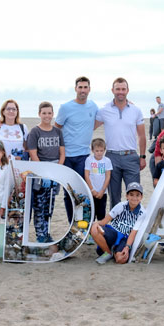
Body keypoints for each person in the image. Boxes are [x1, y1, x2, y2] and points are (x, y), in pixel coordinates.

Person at [95, 77, 146, 209]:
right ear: (112, 90)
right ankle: (116, 225)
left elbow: (141, 135)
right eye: (118, 89)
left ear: (127, 90)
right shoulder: (104, 110)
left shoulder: (136, 110)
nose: (120, 92)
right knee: (114, 196)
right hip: (112, 157)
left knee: (134, 194)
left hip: (131, 157)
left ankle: (134, 225)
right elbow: (89, 127)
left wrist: (142, 156)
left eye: (123, 89)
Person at [55, 76, 98, 222]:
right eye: (80, 87)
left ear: (89, 89)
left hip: (84, 156)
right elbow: (57, 128)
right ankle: (71, 224)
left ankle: (83, 225)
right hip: (67, 156)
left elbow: (98, 120)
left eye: (85, 87)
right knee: (69, 192)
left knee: (83, 192)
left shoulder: (93, 106)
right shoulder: (65, 107)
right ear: (75, 89)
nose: (83, 90)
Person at [27, 101, 65, 242]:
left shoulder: (57, 132)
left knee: (50, 205)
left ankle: (47, 232)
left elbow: (62, 154)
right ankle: (40, 235)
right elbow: (33, 154)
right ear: (39, 114)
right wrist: (43, 172)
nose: (47, 116)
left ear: (53, 114)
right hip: (40, 174)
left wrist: (57, 170)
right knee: (39, 205)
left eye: (49, 113)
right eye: (44, 113)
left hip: (54, 173)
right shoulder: (35, 132)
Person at [90, 182, 147, 264]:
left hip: (126, 238)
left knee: (120, 259)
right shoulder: (121, 205)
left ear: (141, 197)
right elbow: (104, 221)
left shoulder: (142, 213)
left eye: (137, 195)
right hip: (114, 232)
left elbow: (133, 233)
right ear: (127, 196)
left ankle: (115, 251)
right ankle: (108, 253)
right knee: (94, 229)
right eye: (131, 194)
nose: (134, 198)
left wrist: (127, 247)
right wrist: (95, 224)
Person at [84, 138, 112, 221]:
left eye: (101, 150)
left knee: (101, 214)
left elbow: (108, 176)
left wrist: (102, 190)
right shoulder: (89, 160)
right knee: (91, 214)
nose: (99, 153)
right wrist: (92, 190)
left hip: (102, 192)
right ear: (92, 150)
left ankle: (99, 231)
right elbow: (87, 174)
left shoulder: (107, 161)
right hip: (91, 191)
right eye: (97, 151)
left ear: (104, 150)